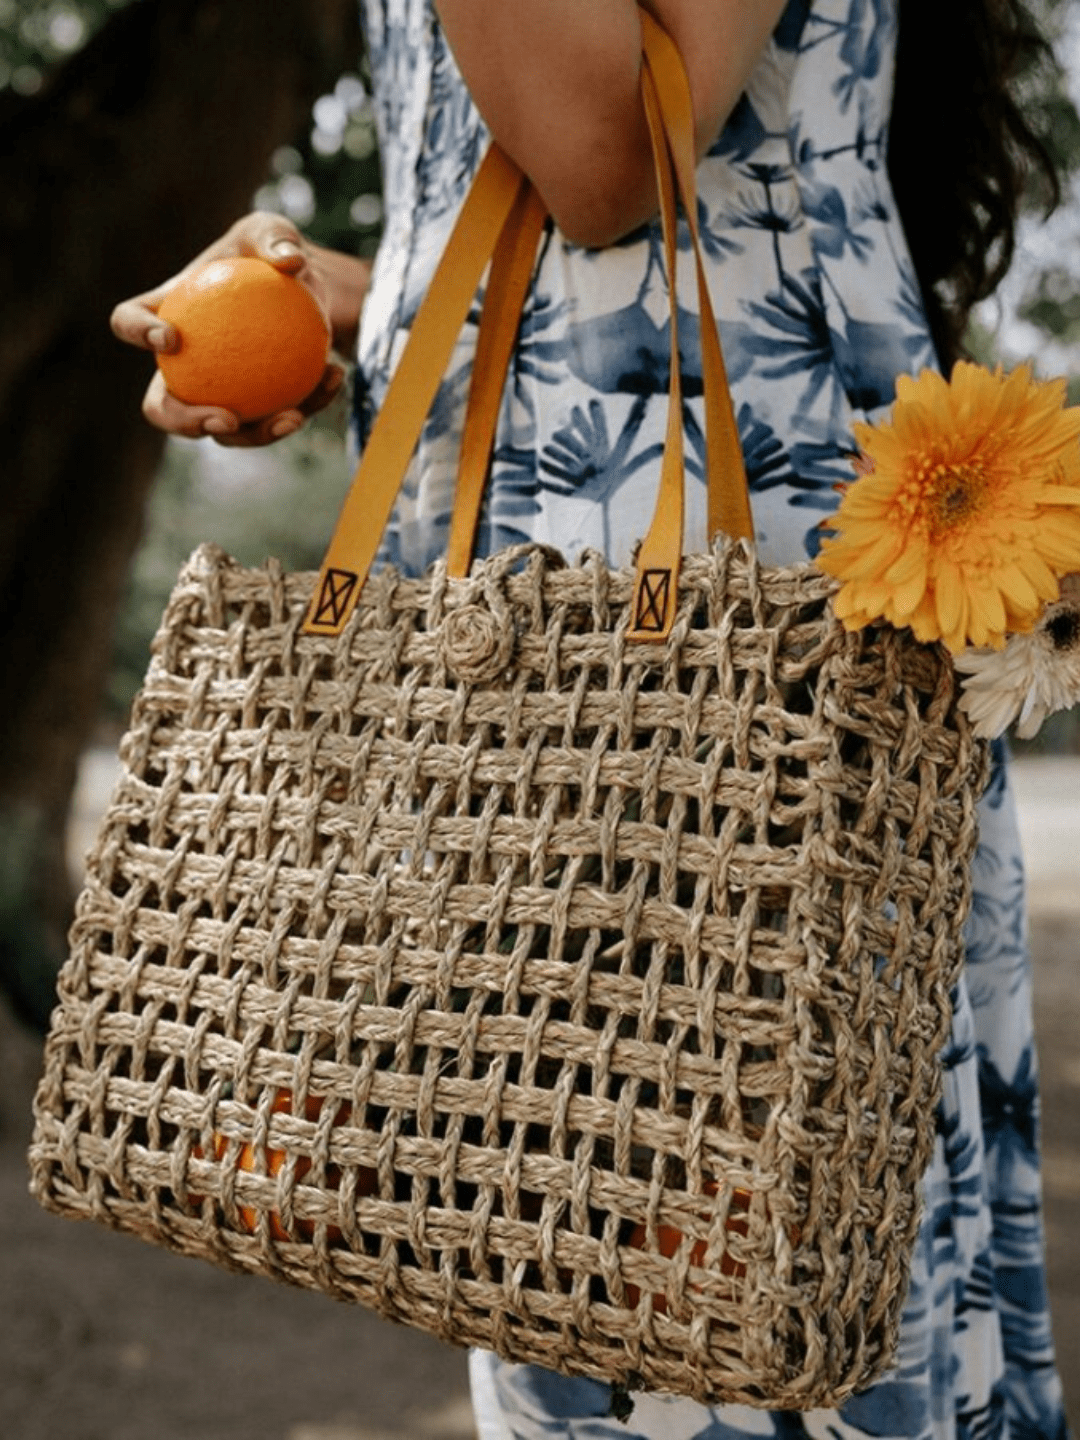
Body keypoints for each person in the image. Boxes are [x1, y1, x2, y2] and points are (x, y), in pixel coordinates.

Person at [111, 1, 1072, 1436]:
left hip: (692, 617)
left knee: (705, 1265)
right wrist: (362, 308)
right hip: (580, 589)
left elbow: (605, 151)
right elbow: (607, 200)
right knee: (579, 1219)